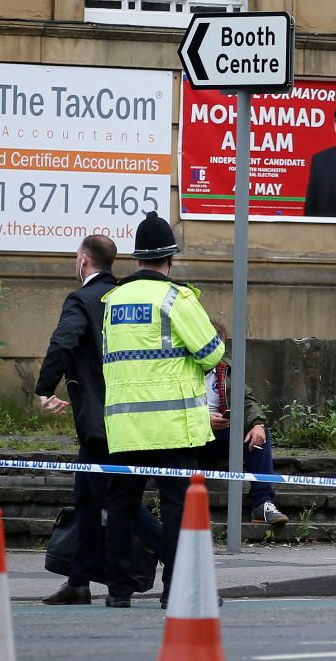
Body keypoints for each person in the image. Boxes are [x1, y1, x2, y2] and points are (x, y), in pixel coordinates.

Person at [101, 211, 225, 608]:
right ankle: (176, 589)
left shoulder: (113, 299)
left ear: (137, 259)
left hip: (125, 427)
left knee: (121, 506)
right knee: (177, 510)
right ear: (169, 259)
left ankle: (118, 590)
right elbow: (213, 351)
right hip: (173, 426)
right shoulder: (177, 297)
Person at [35, 234, 162, 605]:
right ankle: (79, 579)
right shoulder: (122, 297)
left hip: (99, 418)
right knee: (88, 498)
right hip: (131, 412)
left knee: (116, 499)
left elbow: (64, 342)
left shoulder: (82, 299)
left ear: (85, 260)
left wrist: (44, 388)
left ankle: (182, 562)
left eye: (77, 257)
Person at [199, 319, 289, 525]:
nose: (214, 351)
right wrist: (201, 421)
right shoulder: (179, 368)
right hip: (189, 433)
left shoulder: (226, 368)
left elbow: (247, 399)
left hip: (221, 432)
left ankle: (262, 504)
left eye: (218, 345)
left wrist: (258, 423)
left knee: (258, 435)